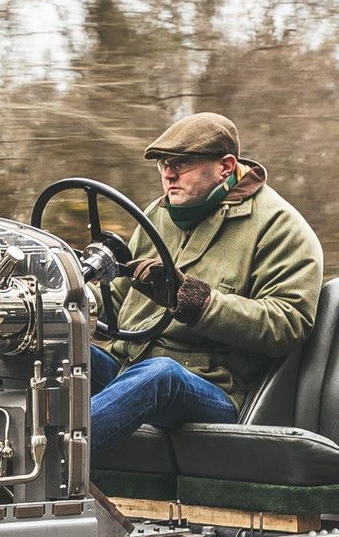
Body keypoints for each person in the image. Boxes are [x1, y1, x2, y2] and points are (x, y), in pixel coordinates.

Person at [89, 112, 323, 457]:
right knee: (50, 354)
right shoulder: (159, 215)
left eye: (182, 164)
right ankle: (7, 455)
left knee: (161, 374)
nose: (169, 174)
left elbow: (288, 323)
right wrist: (73, 299)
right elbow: (120, 294)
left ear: (225, 167)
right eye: (164, 165)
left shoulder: (279, 226)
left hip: (210, 387)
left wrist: (200, 303)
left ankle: (50, 465)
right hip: (129, 368)